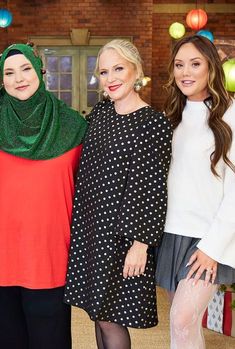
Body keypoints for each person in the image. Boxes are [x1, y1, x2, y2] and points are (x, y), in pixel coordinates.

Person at [64, 39, 172, 349]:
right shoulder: (100, 114)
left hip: (123, 236)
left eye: (118, 69)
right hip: (91, 230)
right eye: (104, 71)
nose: (110, 78)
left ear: (136, 70)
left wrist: (141, 244)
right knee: (98, 315)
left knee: (111, 319)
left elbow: (153, 188)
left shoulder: (153, 123)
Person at [0, 43, 87, 349]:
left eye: (25, 69)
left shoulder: (74, 125)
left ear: (40, 71)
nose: (18, 78)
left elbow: (89, 193)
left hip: (50, 257)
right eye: (9, 73)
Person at [155, 34, 235, 349]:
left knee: (181, 320)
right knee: (185, 327)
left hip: (209, 239)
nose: (186, 72)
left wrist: (213, 247)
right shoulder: (169, 118)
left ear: (211, 68)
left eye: (195, 64)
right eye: (179, 65)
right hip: (171, 235)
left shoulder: (230, 115)